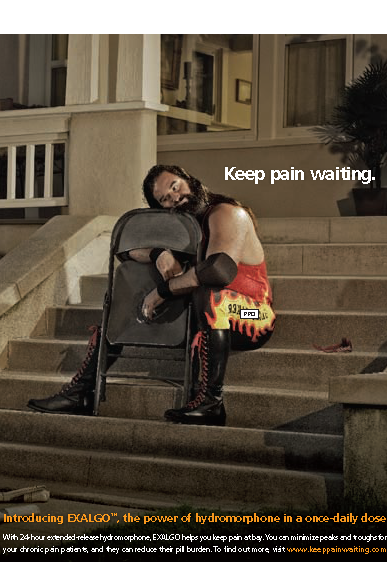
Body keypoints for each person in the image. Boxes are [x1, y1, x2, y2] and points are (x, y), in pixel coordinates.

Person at [27, 164, 275, 426]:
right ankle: (80, 393)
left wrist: (163, 291)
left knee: (212, 297)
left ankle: (212, 402)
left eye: (175, 186)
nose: (174, 197)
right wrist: (159, 253)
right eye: (164, 199)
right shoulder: (185, 225)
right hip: (206, 314)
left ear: (190, 181)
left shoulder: (227, 213)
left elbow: (218, 271)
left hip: (255, 314)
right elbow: (126, 252)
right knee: (127, 301)